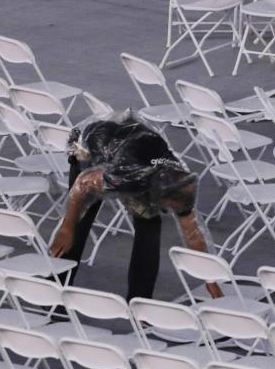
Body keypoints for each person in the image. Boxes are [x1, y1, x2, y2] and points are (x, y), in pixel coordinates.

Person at [49, 113, 222, 300]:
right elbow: (83, 184)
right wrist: (67, 228)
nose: (172, 211)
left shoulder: (181, 184)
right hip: (89, 147)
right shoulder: (128, 178)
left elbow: (193, 233)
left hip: (133, 151)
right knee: (78, 222)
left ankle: (140, 304)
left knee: (150, 228)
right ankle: (55, 292)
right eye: (168, 207)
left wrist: (210, 282)